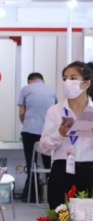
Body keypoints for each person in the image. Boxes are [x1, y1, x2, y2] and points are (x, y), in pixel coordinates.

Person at [40, 61, 93, 210]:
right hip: (62, 169)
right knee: (59, 217)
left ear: (86, 83)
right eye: (65, 78)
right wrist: (59, 134)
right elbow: (44, 146)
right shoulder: (55, 111)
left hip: (89, 169)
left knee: (88, 219)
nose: (68, 82)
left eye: (73, 78)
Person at [18, 72, 57, 202]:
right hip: (49, 132)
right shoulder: (52, 90)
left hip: (29, 132)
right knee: (49, 164)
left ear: (30, 80)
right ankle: (50, 195)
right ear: (42, 80)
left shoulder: (25, 89)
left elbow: (22, 112)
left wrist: (26, 124)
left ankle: (31, 195)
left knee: (32, 165)